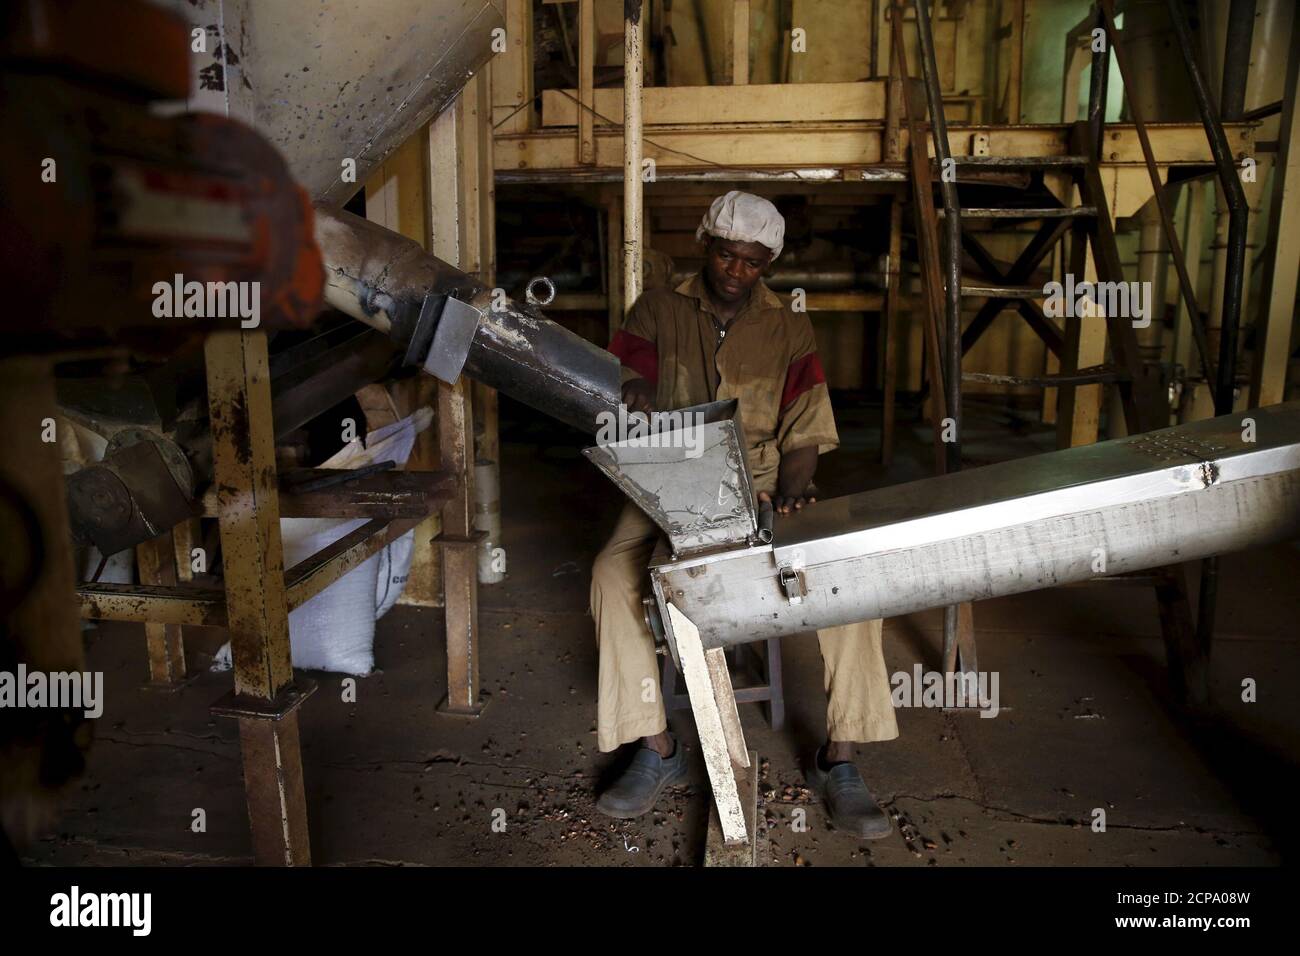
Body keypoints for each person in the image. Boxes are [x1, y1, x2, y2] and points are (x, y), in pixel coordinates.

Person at [589, 190, 898, 838]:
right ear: (706, 245)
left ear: (768, 264)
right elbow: (622, 379)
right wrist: (631, 390)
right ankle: (655, 745)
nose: (735, 270)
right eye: (726, 255)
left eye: (751, 262)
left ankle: (839, 759)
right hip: (668, 478)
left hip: (760, 478)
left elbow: (805, 430)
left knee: (852, 576)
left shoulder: (789, 326)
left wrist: (790, 491)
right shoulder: (657, 309)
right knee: (611, 576)